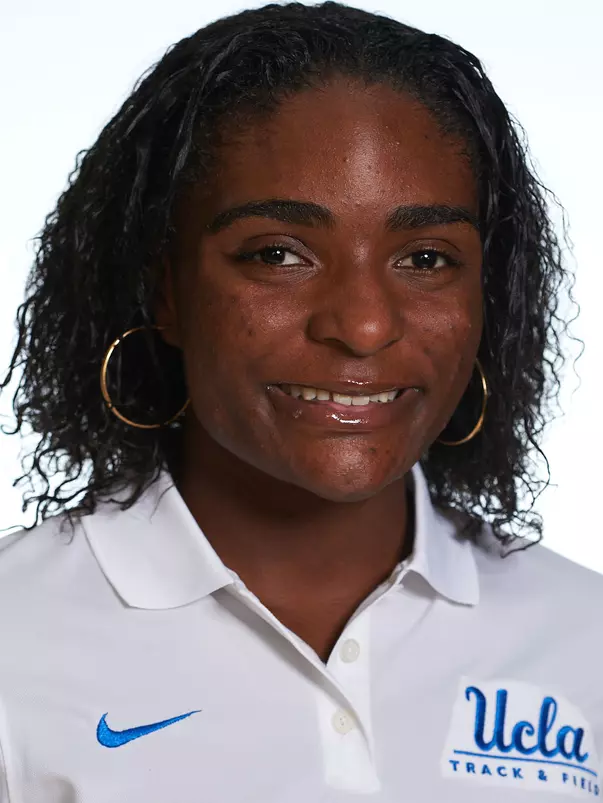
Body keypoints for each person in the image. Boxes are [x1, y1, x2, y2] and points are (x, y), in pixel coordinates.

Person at [0, 2, 600, 801]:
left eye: (424, 257)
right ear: (165, 289)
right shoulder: (18, 638)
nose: (361, 324)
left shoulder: (581, 637)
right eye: (278, 253)